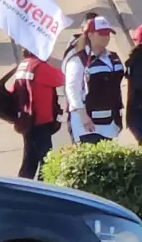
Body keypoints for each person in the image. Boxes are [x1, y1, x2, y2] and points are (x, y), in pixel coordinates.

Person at [64, 16, 124, 144]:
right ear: (90, 35)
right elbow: (72, 89)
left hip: (110, 122)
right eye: (101, 33)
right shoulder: (78, 59)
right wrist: (83, 116)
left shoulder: (113, 57)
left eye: (108, 33)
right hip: (87, 124)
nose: (106, 37)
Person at [11, 49, 64, 180]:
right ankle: (43, 190)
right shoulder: (40, 66)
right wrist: (49, 63)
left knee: (30, 160)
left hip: (27, 120)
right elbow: (60, 79)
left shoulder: (23, 66)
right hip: (41, 121)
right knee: (46, 161)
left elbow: (14, 89)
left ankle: (22, 189)